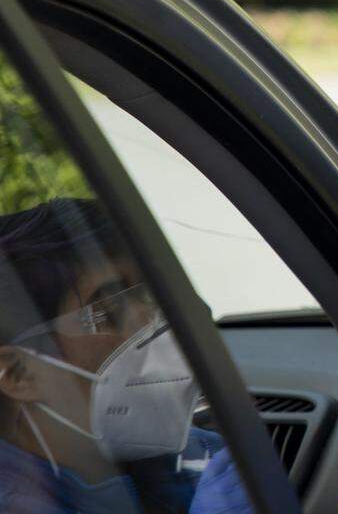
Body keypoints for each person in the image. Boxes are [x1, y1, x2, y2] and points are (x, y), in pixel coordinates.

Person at [0, 197, 250, 514]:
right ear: (18, 374)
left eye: (149, 296)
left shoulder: (191, 453)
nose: (155, 325)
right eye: (110, 310)